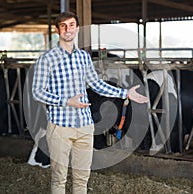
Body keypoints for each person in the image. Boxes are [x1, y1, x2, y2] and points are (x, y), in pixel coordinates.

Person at [32, 11, 148, 194]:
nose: (67, 29)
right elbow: (37, 93)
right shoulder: (46, 59)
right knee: (59, 177)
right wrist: (66, 101)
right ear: (57, 30)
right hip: (60, 126)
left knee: (82, 178)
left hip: (85, 125)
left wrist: (125, 93)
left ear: (77, 29)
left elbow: (96, 85)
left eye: (71, 25)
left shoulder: (84, 57)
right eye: (63, 26)